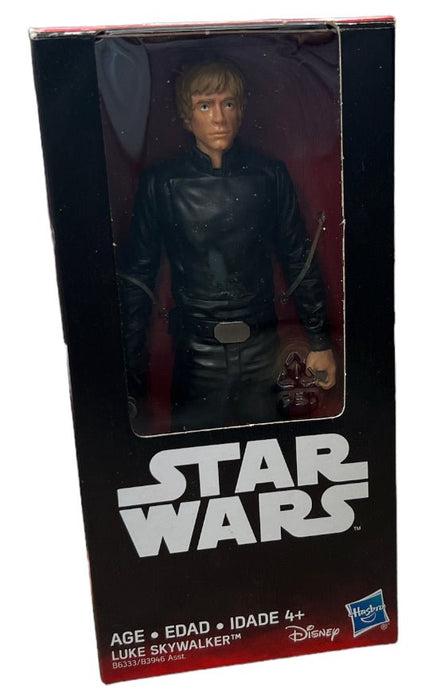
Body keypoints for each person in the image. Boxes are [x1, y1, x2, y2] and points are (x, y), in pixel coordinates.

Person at [119, 59, 336, 431]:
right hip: (196, 353)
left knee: (275, 450)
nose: (219, 118)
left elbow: (297, 257)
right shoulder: (162, 183)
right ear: (187, 116)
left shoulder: (269, 175)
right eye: (205, 106)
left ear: (241, 110)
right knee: (191, 453)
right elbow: (138, 276)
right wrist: (130, 370)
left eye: (228, 103)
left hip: (263, 349)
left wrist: (319, 341)